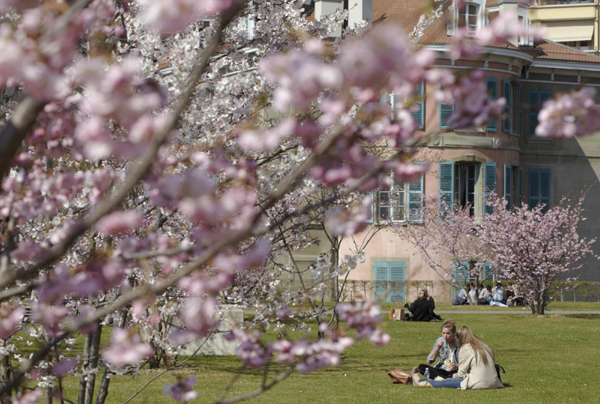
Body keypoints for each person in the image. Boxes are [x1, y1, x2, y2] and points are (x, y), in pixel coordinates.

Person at [412, 326, 504, 389]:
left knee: (445, 382)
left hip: (477, 383)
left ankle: (419, 381)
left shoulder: (466, 348)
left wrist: (451, 377)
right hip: (495, 383)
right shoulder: (485, 346)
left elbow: (460, 374)